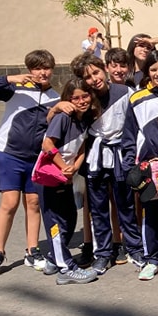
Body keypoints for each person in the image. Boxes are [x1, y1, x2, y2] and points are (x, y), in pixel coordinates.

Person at [0, 49, 60, 279]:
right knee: (10, 203)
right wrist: (9, 79)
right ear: (29, 69)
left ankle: (32, 251)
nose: (42, 72)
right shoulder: (16, 90)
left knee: (33, 203)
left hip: (36, 158)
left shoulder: (55, 97)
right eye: (37, 68)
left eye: (47, 68)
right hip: (9, 154)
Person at [75, 56, 144, 273]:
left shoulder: (125, 92)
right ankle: (103, 254)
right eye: (87, 77)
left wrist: (131, 156)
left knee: (125, 205)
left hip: (120, 156)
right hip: (96, 157)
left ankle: (135, 248)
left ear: (104, 69)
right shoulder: (85, 98)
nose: (94, 79)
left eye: (96, 72)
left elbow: (136, 125)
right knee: (98, 209)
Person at [122, 50, 158, 279]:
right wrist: (130, 164)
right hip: (146, 167)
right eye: (154, 69)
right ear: (147, 71)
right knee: (150, 213)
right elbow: (129, 134)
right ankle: (151, 259)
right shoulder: (137, 98)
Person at [40, 78, 99, 284]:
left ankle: (53, 259)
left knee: (70, 218)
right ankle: (66, 269)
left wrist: (75, 167)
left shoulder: (84, 119)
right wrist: (63, 166)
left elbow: (81, 147)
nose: (82, 101)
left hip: (66, 177)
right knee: (56, 223)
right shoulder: (63, 118)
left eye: (85, 96)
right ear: (68, 99)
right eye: (76, 98)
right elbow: (47, 144)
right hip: (51, 177)